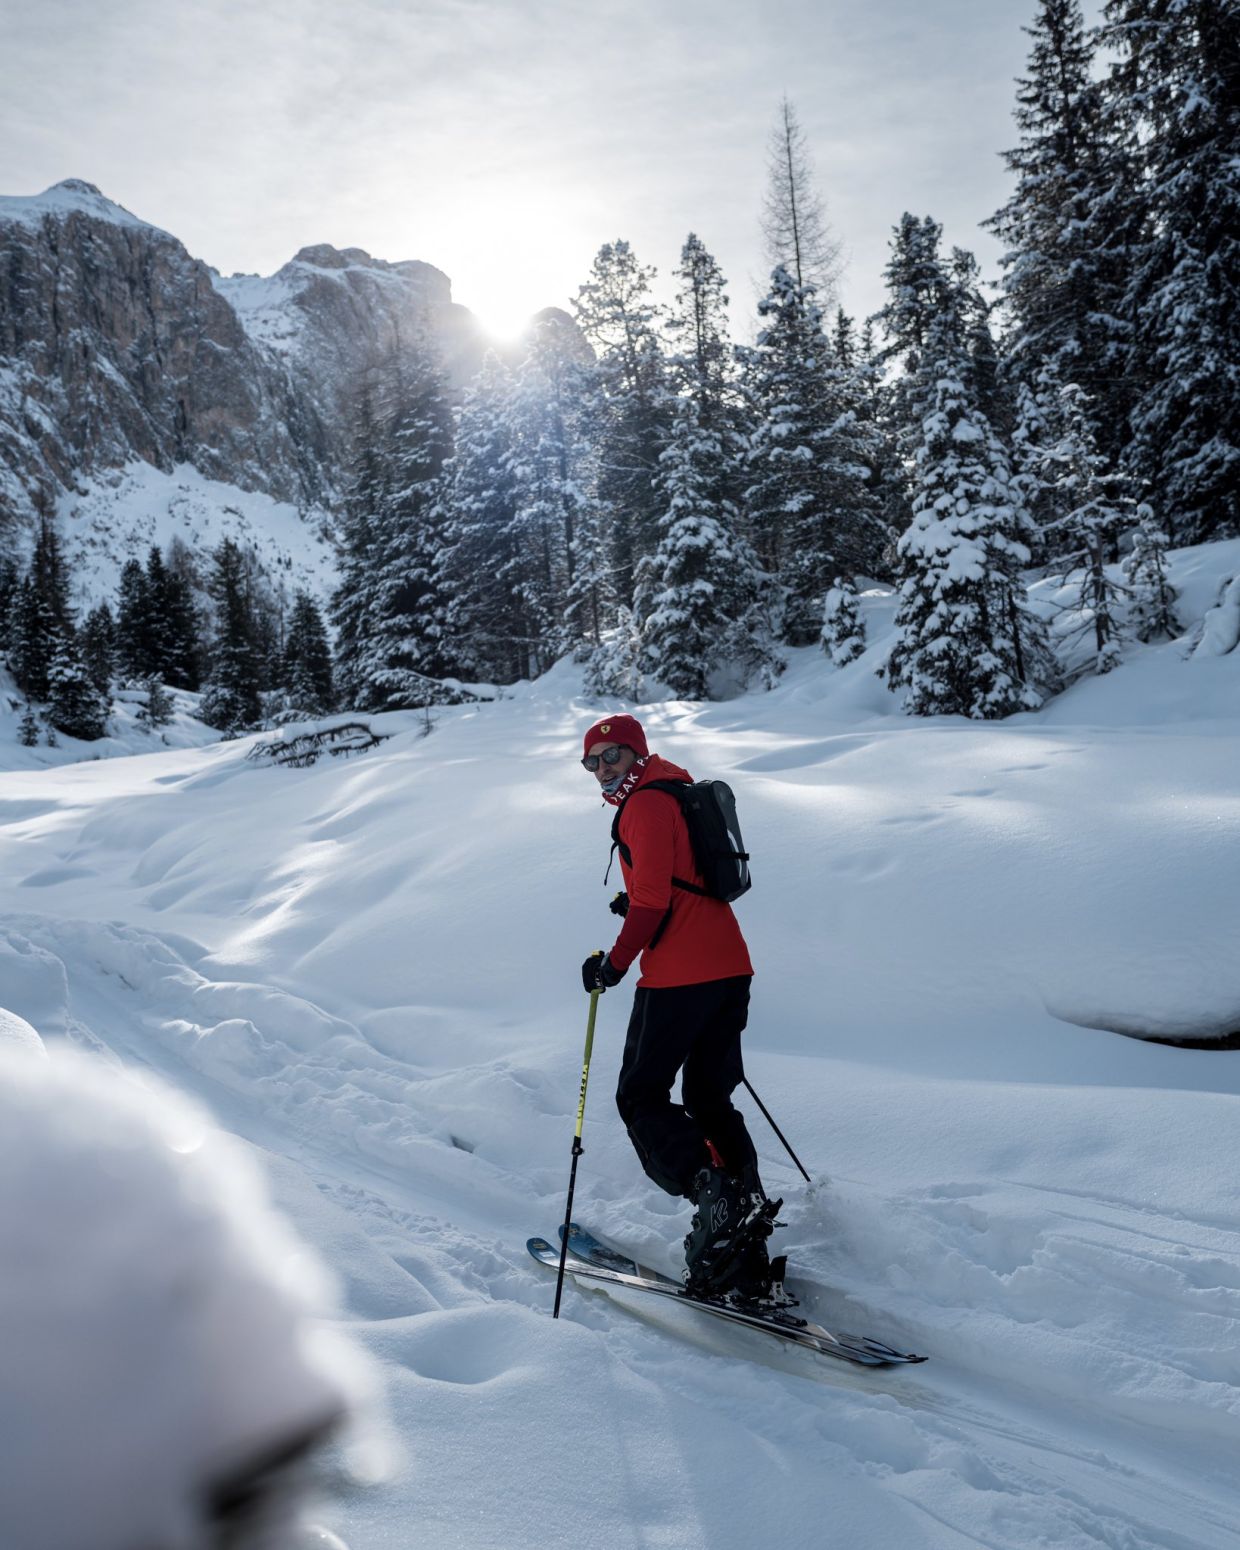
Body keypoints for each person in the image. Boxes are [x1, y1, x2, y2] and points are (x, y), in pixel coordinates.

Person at [578, 713, 781, 1304]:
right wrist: (638, 902)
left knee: (639, 1096)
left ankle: (715, 1197)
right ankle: (743, 1235)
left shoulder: (642, 804)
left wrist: (612, 966)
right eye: (592, 763)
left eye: (611, 756)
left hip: (678, 977)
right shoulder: (675, 789)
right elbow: (672, 884)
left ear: (636, 751)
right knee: (708, 1097)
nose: (601, 771)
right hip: (729, 966)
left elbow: (652, 904)